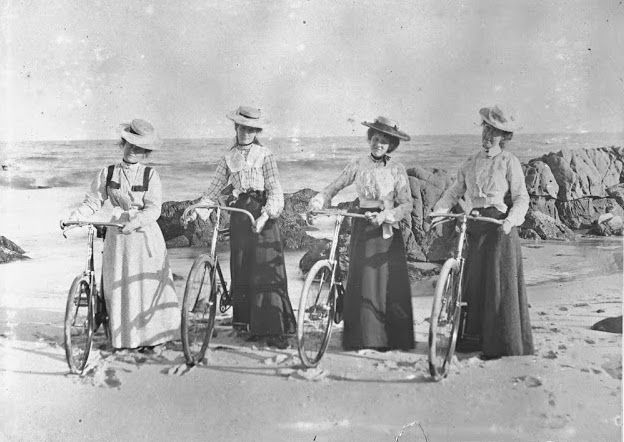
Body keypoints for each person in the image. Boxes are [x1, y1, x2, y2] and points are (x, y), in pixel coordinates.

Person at [183, 106, 296, 349]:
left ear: (256, 131)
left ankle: (273, 328)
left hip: (263, 218)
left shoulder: (265, 155)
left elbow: (276, 191)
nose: (246, 132)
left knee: (265, 270)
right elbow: (213, 191)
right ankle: (248, 325)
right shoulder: (228, 158)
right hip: (239, 218)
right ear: (236, 128)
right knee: (242, 268)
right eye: (242, 128)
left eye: (251, 129)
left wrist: (266, 216)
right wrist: (196, 211)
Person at [62, 119, 180, 350]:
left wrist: (135, 223)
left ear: (145, 151)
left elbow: (154, 209)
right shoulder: (107, 173)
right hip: (117, 234)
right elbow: (92, 202)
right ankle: (125, 338)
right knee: (120, 285)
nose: (134, 151)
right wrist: (73, 219)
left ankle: (154, 337)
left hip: (144, 236)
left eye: (139, 148)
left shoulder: (151, 175)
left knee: (144, 284)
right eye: (130, 145)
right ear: (123, 143)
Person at [432, 104, 534, 359]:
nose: (487, 137)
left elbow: (521, 197)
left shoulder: (509, 162)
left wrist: (511, 220)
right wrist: (439, 211)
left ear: (504, 137)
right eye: (485, 131)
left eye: (494, 133)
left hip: (500, 228)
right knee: (472, 282)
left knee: (499, 286)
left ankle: (502, 344)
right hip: (474, 226)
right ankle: (470, 339)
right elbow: (454, 192)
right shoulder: (470, 162)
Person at [308, 116, 415, 351]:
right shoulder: (358, 164)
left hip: (385, 228)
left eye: (384, 141)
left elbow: (407, 205)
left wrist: (386, 216)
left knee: (384, 281)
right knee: (362, 280)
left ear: (391, 145)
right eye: (376, 139)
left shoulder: (397, 169)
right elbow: (336, 185)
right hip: (362, 225)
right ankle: (363, 337)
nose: (379, 144)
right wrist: (319, 200)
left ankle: (387, 338)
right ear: (370, 139)